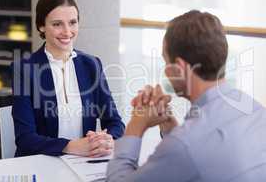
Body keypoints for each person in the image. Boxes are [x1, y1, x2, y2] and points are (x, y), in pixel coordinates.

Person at [107, 10, 266, 181]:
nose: (166, 70)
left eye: (166, 62)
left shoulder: (184, 144)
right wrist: (170, 127)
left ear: (180, 68)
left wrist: (136, 124)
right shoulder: (257, 111)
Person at [11, 0, 124, 157]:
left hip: (82, 163)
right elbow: (25, 138)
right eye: (57, 24)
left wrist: (106, 139)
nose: (67, 31)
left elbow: (115, 122)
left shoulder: (91, 64)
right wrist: (72, 146)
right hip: (40, 162)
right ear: (41, 25)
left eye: (72, 22)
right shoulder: (24, 68)